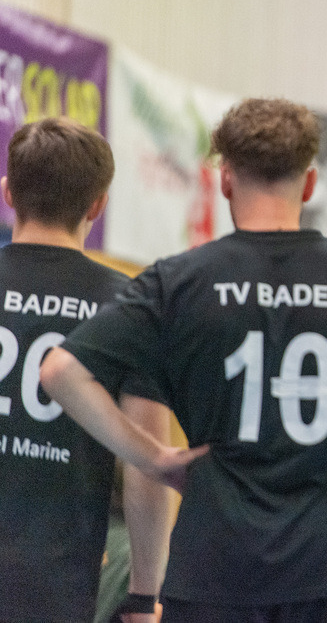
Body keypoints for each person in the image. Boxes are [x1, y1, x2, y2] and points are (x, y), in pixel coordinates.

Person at [39, 98, 327, 623]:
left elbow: (60, 371)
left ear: (225, 180)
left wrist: (154, 458)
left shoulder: (179, 281)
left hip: (214, 568)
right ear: (309, 184)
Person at [0, 117, 172, 622]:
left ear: (8, 193)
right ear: (98, 204)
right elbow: (147, 463)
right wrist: (143, 595)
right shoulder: (130, 306)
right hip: (55, 581)